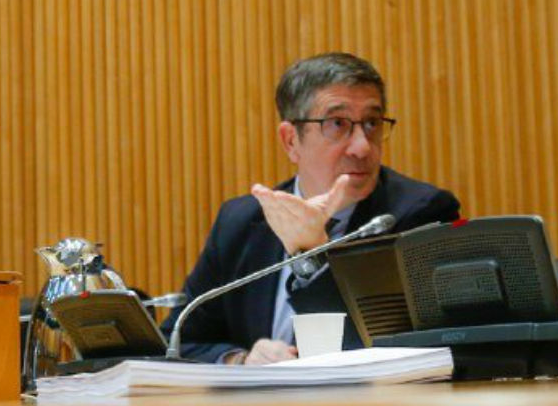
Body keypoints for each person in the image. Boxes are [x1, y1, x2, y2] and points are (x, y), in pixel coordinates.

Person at [161, 52, 461, 364]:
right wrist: (239, 360)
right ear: (291, 140)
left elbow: (396, 354)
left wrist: (310, 255)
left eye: (372, 123)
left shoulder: (418, 215)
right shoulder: (241, 221)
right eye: (338, 124)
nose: (362, 147)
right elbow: (177, 340)